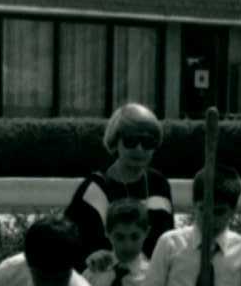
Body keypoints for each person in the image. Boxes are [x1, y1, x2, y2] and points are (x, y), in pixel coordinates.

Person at [64, 102, 174, 266]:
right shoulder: (94, 189)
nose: (139, 149)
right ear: (115, 141)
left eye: (147, 142)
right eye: (130, 140)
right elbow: (74, 249)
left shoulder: (159, 184)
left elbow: (167, 243)